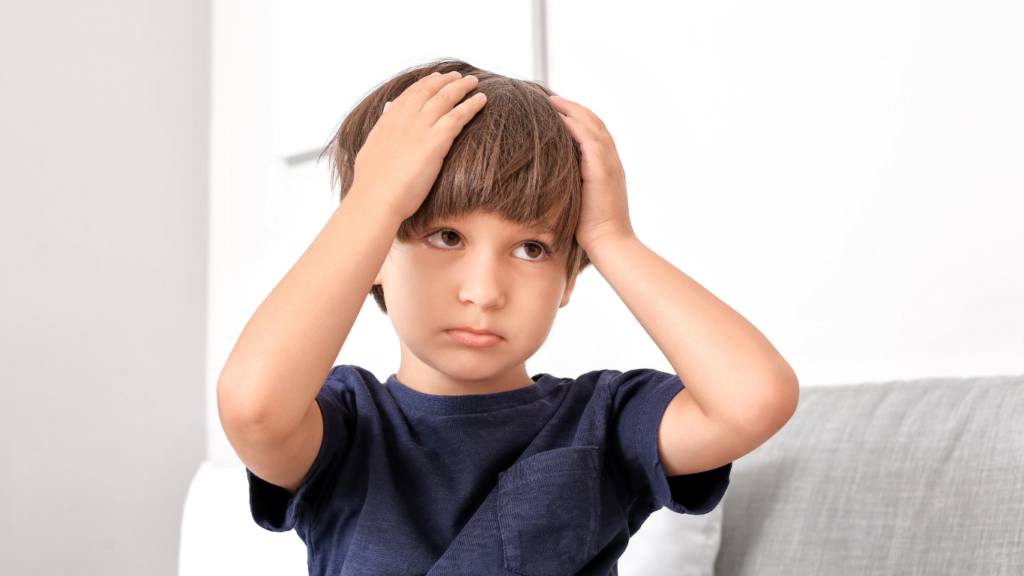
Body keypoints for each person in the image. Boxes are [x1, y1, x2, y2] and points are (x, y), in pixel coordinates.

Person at [217, 59, 800, 575]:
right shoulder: (346, 425)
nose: (484, 291)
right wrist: (373, 200)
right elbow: (253, 408)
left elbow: (755, 399)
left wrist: (610, 236)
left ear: (570, 278)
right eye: (446, 237)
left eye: (531, 249)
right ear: (372, 255)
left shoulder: (607, 420)